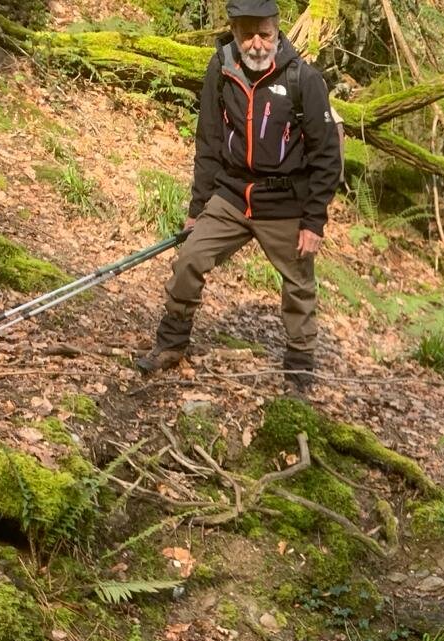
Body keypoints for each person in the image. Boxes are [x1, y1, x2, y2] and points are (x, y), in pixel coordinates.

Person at [134, 0, 341, 389]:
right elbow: (209, 140)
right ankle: (170, 345)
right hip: (231, 195)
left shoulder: (304, 79)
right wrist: (198, 208)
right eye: (247, 34)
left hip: (284, 202)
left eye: (264, 33)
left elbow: (328, 155)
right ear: (234, 33)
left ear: (278, 29)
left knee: (298, 285)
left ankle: (298, 373)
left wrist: (314, 220)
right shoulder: (222, 68)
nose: (257, 44)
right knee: (189, 259)